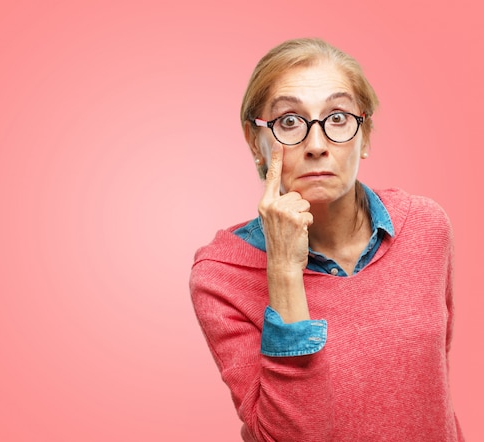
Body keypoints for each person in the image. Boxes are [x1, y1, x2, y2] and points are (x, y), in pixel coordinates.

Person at [189, 38, 464, 441]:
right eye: (289, 121)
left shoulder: (425, 227)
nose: (316, 146)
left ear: (364, 135)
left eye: (337, 118)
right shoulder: (220, 275)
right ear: (255, 142)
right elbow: (293, 436)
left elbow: (433, 393)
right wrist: (283, 272)